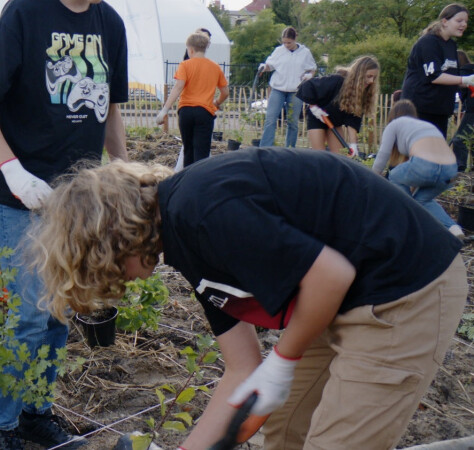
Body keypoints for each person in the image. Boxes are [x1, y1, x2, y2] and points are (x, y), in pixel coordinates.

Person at [35, 149, 466, 450]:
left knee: (336, 443)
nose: (119, 284)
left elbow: (332, 274)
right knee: (284, 432)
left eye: (107, 271)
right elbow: (241, 368)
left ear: (113, 240)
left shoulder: (202, 212)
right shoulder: (181, 238)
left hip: (405, 288)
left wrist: (285, 357)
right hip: (341, 297)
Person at [0, 0, 129, 447]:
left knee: (58, 311)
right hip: (23, 194)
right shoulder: (26, 13)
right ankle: (2, 428)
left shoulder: (108, 22)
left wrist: (127, 172)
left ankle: (36, 413)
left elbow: (110, 108)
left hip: (78, 197)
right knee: (28, 315)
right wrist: (13, 170)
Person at [372, 100, 463, 238]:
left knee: (394, 175)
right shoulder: (426, 126)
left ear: (393, 115)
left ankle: (406, 219)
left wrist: (372, 177)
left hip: (425, 165)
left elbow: (383, 155)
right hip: (450, 170)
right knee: (422, 201)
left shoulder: (395, 124)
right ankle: (453, 228)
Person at [155, 32, 228, 167]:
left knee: (188, 150)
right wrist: (216, 103)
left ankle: (186, 182)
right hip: (205, 113)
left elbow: (178, 87)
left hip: (186, 112)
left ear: (191, 49)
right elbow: (225, 92)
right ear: (204, 48)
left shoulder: (185, 65)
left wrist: (164, 110)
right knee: (202, 153)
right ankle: (200, 183)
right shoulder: (215, 67)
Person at [402, 3, 472, 137]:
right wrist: (465, 79)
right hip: (420, 108)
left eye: (466, 21)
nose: (464, 24)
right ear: (444, 22)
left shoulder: (451, 45)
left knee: (437, 153)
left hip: (441, 110)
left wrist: (469, 82)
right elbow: (434, 76)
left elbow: (454, 78)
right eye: (459, 21)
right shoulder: (428, 43)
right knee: (420, 152)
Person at [297, 55, 380, 155]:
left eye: (374, 78)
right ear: (359, 74)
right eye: (369, 76)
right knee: (319, 156)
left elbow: (353, 120)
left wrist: (353, 145)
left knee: (339, 156)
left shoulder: (362, 94)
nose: (371, 81)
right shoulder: (336, 81)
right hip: (318, 117)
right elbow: (307, 86)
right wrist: (313, 107)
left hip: (335, 122)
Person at [258, 27, 317, 148]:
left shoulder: (305, 53)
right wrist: (264, 67)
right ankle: (265, 147)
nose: (286, 45)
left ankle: (289, 148)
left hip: (295, 91)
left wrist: (309, 75)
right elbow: (270, 65)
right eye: (284, 42)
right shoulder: (279, 51)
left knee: (293, 122)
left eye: (289, 42)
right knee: (270, 118)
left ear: (295, 39)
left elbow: (312, 69)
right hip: (278, 89)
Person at [452, 49, 473, 171]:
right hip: (471, 107)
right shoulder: (471, 71)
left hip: (471, 108)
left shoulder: (463, 73)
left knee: (460, 138)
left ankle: (460, 166)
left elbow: (463, 91)